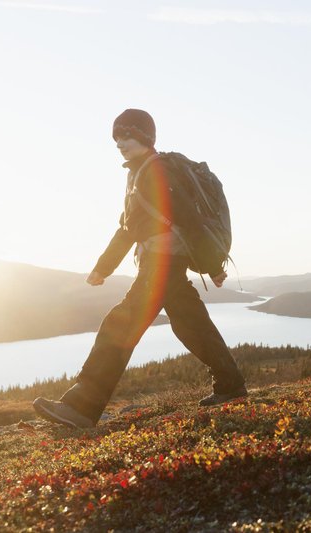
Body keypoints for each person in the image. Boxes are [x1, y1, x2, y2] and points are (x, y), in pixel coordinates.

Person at [33, 109, 247, 428]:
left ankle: (81, 406)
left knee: (119, 325)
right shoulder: (137, 173)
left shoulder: (157, 172)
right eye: (117, 137)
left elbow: (188, 217)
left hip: (163, 263)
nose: (120, 142)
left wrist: (214, 266)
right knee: (191, 325)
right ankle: (231, 386)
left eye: (128, 135)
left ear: (146, 137)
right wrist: (103, 268)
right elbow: (128, 227)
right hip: (159, 262)